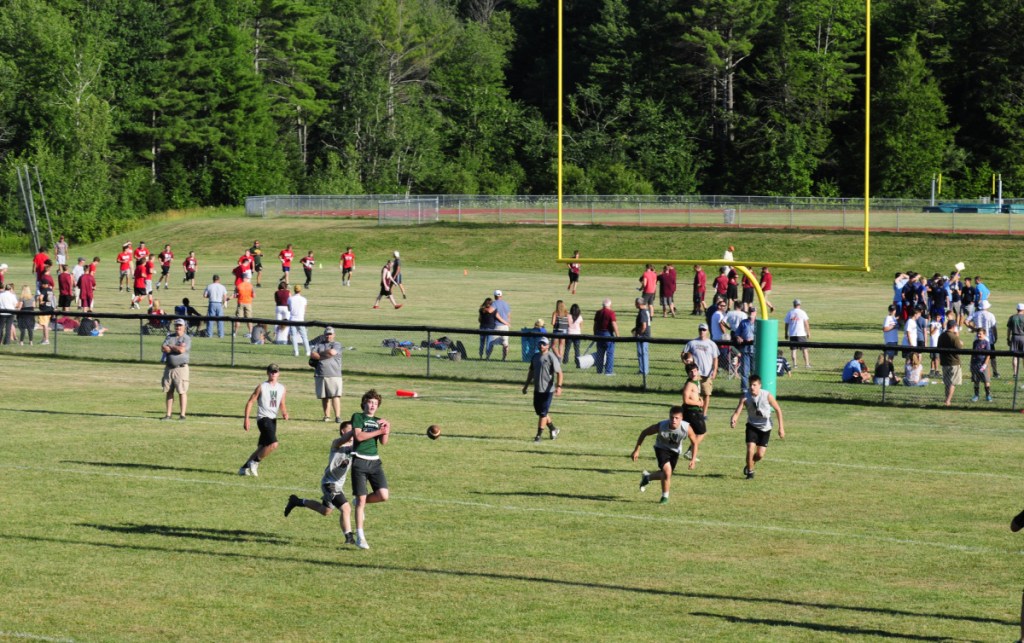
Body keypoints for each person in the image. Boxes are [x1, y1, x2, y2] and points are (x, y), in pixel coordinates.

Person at [284, 420, 356, 546]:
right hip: (329, 484)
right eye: (351, 430)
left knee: (326, 511)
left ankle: (297, 501)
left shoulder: (355, 447)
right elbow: (344, 441)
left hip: (339, 485)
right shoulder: (336, 444)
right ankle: (349, 538)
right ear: (343, 432)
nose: (354, 432)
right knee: (346, 508)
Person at [349, 389, 391, 550]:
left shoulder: (379, 421)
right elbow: (358, 437)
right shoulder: (358, 417)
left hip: (375, 463)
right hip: (359, 461)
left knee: (383, 495)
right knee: (361, 501)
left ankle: (361, 500)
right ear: (364, 403)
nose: (372, 405)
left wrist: (386, 429)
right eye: (370, 402)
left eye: (375, 403)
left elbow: (384, 442)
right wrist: (379, 431)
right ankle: (360, 536)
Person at [633, 405, 699, 504]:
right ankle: (664, 498)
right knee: (667, 472)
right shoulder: (661, 426)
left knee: (666, 475)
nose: (674, 420)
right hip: (661, 448)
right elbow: (644, 432)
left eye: (677, 418)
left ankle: (647, 477)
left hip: (675, 452)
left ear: (681, 418)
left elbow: (694, 443)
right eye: (672, 417)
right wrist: (637, 450)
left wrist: (693, 460)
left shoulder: (686, 428)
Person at [730, 374, 785, 479]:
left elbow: (778, 409)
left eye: (754, 385)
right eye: (750, 385)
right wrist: (734, 419)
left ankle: (751, 463)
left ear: (760, 385)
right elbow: (737, 412)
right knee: (750, 449)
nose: (752, 387)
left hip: (766, 428)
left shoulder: (767, 395)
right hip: (752, 426)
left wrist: (781, 428)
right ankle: (750, 473)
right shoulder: (745, 397)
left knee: (759, 455)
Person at [239, 363, 289, 476]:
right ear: (267, 373)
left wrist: (284, 412)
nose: (273, 373)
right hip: (263, 418)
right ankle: (254, 462)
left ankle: (244, 468)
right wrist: (246, 419)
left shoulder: (282, 388)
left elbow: (282, 403)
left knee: (262, 447)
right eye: (271, 371)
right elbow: (250, 402)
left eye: (275, 372)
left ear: (279, 373)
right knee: (273, 444)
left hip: (273, 419)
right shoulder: (262, 386)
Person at [522, 336, 563, 442]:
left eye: (544, 344)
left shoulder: (551, 357)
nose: (541, 345)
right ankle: (553, 429)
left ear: (548, 346)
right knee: (540, 412)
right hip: (537, 390)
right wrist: (526, 386)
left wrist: (558, 387)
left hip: (547, 391)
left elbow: (559, 373)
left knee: (543, 413)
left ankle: (538, 436)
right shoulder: (535, 357)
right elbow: (531, 372)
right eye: (540, 343)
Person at [683, 322, 719, 418]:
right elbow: (683, 354)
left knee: (706, 394)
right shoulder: (692, 343)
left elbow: (715, 358)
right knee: (694, 393)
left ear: (707, 331)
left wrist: (715, 370)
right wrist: (686, 361)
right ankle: (695, 411)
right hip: (695, 374)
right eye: (700, 329)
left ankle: (704, 414)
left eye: (704, 330)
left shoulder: (712, 344)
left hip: (707, 373)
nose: (702, 331)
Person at [312, 326, 344, 422]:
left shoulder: (337, 344)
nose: (328, 336)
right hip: (320, 374)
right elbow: (312, 354)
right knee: (324, 397)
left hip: (334, 374)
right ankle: (327, 416)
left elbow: (332, 352)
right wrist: (324, 354)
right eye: (326, 334)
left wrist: (320, 355)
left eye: (330, 334)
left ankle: (337, 417)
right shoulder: (319, 344)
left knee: (335, 395)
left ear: (334, 335)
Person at [160, 319, 191, 420]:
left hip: (181, 368)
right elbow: (163, 348)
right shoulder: (170, 336)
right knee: (169, 391)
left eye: (180, 325)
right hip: (169, 368)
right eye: (176, 325)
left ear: (184, 327)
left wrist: (171, 347)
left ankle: (182, 415)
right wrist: (175, 347)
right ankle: (168, 414)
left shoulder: (186, 338)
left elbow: (181, 350)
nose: (178, 327)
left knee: (182, 391)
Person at [679, 362, 708, 466]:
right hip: (691, 411)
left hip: (694, 411)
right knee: (702, 432)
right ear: (688, 374)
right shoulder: (689, 384)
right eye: (691, 372)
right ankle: (690, 451)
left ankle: (688, 450)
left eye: (695, 371)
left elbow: (695, 394)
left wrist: (699, 398)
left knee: (689, 433)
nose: (693, 373)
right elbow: (686, 400)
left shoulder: (696, 382)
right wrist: (698, 403)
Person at [937, 319, 963, 406]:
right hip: (954, 362)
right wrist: (959, 340)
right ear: (953, 327)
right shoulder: (954, 337)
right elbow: (959, 348)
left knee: (947, 382)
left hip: (944, 362)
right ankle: (948, 401)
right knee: (952, 383)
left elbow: (938, 347)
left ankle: (946, 399)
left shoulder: (941, 336)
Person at [734, 306, 757, 393]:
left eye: (753, 312)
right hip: (745, 350)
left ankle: (754, 389)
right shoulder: (743, 323)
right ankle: (744, 390)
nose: (751, 313)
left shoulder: (758, 323)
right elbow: (737, 333)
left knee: (754, 371)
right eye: (750, 311)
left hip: (755, 351)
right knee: (744, 371)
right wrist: (738, 337)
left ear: (755, 313)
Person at [593, 298, 618, 375]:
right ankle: (608, 371)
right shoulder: (611, 313)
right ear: (610, 305)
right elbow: (614, 324)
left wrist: (595, 334)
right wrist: (618, 335)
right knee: (610, 353)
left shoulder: (598, 312)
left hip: (599, 334)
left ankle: (599, 371)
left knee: (600, 353)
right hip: (608, 334)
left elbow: (595, 324)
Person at [784, 299, 811, 368]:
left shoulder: (790, 312)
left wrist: (786, 333)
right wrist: (808, 332)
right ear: (799, 305)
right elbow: (806, 323)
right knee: (804, 349)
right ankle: (807, 364)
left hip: (792, 334)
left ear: (794, 305)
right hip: (801, 334)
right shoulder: (802, 312)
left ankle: (795, 365)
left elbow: (786, 324)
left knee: (793, 350)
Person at [970, 326, 992, 402]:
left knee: (986, 381)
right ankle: (976, 395)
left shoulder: (986, 343)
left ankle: (988, 395)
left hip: (983, 364)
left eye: (980, 334)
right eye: (978, 334)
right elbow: (972, 354)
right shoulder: (975, 342)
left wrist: (985, 365)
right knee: (976, 381)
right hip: (975, 364)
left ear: (984, 334)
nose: (978, 335)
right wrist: (971, 364)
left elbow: (988, 355)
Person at [203, 274, 228, 338]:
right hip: (219, 304)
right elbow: (225, 296)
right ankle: (221, 335)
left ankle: (209, 334)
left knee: (210, 320)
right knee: (220, 320)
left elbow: (205, 295)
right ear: (219, 279)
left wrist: (210, 296)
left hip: (212, 303)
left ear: (213, 279)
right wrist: (224, 302)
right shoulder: (222, 287)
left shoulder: (209, 286)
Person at [288, 284, 310, 357]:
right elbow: (305, 309)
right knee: (304, 336)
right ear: (300, 290)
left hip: (292, 319)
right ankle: (308, 351)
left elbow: (289, 309)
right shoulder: (304, 299)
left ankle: (296, 352)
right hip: (300, 319)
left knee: (293, 336)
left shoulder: (290, 299)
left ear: (294, 290)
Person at [632, 297, 651, 375]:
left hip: (643, 336)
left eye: (635, 303)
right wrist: (634, 329)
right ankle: (645, 370)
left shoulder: (642, 312)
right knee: (644, 353)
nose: (635, 305)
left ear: (639, 304)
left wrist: (638, 333)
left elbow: (644, 326)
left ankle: (643, 371)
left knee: (641, 353)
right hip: (646, 335)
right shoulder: (646, 311)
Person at [491, 289, 511, 360]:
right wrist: (507, 323)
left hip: (497, 325)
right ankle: (504, 358)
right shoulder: (506, 304)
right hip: (505, 327)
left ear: (494, 296)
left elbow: (495, 314)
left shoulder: (493, 304)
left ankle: (487, 357)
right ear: (501, 296)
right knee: (505, 343)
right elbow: (509, 315)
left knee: (491, 342)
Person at [1007, 303, 1024, 378]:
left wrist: (1008, 338)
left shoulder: (1012, 317)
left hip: (1014, 337)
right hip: (1023, 337)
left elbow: (1009, 329)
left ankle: (1015, 373)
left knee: (1015, 356)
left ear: (1017, 309)